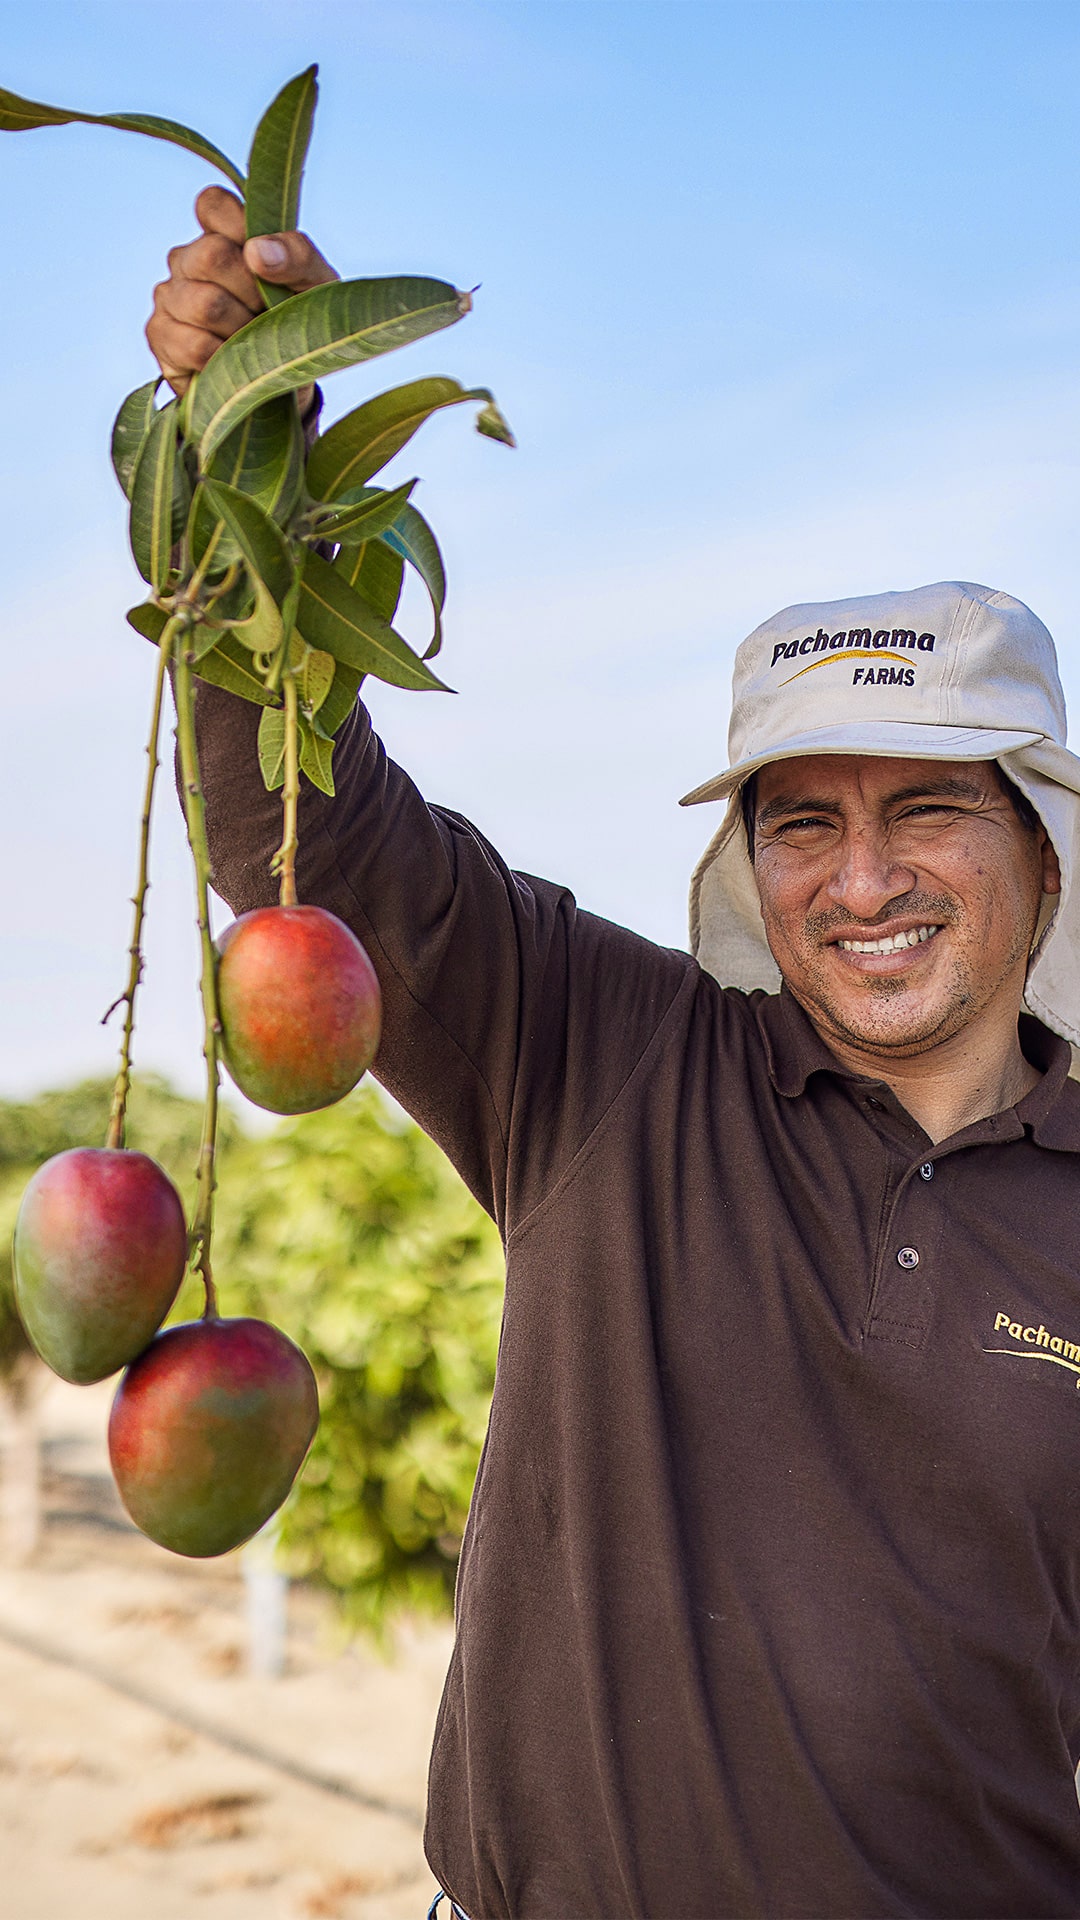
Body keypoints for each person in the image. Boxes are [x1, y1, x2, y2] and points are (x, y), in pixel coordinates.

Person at [147, 190, 1080, 1918]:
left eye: (930, 808)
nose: (861, 880)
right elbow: (314, 840)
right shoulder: (607, 1059)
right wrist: (250, 474)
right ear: (745, 865)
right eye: (802, 822)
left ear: (1042, 852)